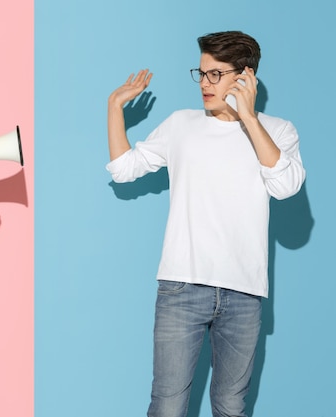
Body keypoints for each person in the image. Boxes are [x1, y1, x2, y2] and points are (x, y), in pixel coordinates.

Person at [106, 31, 305, 417]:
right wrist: (115, 107)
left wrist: (248, 117)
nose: (205, 84)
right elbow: (124, 169)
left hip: (244, 293)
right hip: (182, 286)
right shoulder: (182, 124)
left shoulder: (279, 131)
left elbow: (285, 186)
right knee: (167, 407)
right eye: (201, 73)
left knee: (231, 408)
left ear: (245, 77)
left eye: (216, 74)